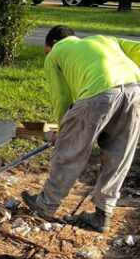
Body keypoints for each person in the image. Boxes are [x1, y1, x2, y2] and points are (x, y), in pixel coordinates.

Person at [21, 25, 140, 231]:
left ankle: (45, 205)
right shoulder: (106, 39)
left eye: (46, 51)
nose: (46, 56)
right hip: (135, 93)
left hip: (98, 93)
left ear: (53, 44)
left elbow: (61, 97)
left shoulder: (55, 53)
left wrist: (62, 130)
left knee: (70, 151)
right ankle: (103, 214)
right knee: (119, 156)